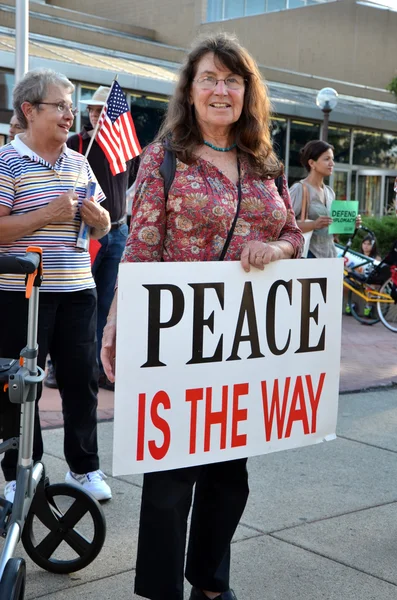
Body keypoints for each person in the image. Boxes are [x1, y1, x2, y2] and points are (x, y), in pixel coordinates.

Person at [101, 33, 303, 600]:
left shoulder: (265, 163)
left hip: (239, 343)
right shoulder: (162, 160)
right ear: (190, 92)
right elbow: (138, 250)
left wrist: (279, 251)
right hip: (174, 340)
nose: (221, 90)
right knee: (169, 483)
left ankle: (210, 583)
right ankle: (162, 589)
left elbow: (290, 233)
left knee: (229, 477)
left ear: (247, 92)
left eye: (233, 80)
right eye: (209, 79)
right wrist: (116, 320)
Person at [0, 68, 112, 502]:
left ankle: (86, 469)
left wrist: (98, 219)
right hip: (21, 296)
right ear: (29, 110)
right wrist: (48, 214)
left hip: (78, 290)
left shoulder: (79, 161)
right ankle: (20, 473)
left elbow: (101, 225)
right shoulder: (7, 162)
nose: (70, 114)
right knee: (18, 386)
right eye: (61, 106)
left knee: (81, 381)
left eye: (71, 106)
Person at [66, 87, 138, 392]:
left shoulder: (123, 147)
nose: (97, 115)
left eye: (103, 110)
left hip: (118, 231)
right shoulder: (77, 143)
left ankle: (98, 369)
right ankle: (65, 366)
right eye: (94, 110)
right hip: (85, 233)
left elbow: (131, 180)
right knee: (80, 301)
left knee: (107, 303)